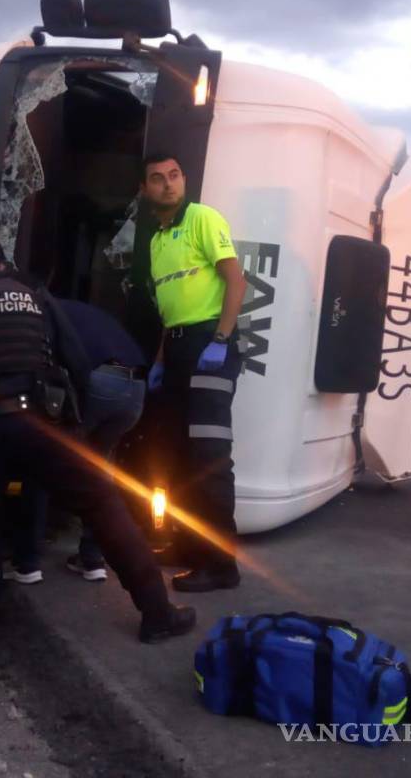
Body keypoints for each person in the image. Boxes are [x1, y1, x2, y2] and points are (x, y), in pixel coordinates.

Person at [0, 235, 196, 698]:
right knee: (105, 508)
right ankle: (157, 615)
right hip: (44, 424)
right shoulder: (30, 291)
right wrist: (76, 429)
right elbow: (75, 360)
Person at [140, 153, 248, 593]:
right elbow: (169, 312)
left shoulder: (202, 218)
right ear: (145, 189)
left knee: (210, 461)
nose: (168, 185)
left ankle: (221, 566)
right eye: (157, 179)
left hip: (209, 344)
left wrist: (220, 341)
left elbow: (236, 281)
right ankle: (186, 547)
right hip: (179, 348)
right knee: (181, 458)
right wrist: (162, 360)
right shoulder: (157, 241)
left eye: (174, 176)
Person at [7, 298, 150, 583]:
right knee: (98, 471)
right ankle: (92, 558)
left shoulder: (39, 313)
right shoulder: (84, 312)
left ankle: (27, 564)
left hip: (100, 383)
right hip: (135, 390)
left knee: (42, 464)